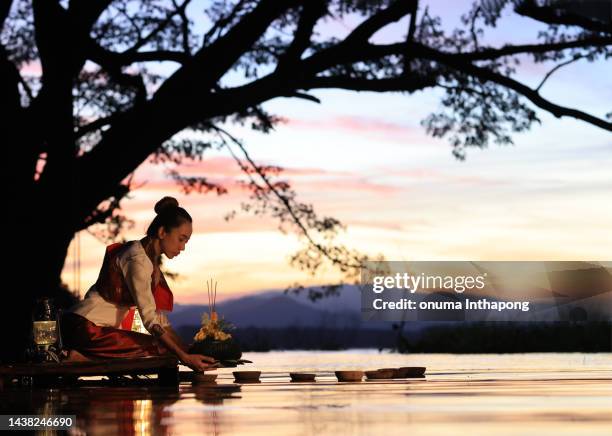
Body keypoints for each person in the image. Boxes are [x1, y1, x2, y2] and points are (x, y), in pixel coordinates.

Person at [62, 196, 215, 372]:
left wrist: (188, 350)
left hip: (93, 331)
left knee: (163, 347)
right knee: (159, 347)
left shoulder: (149, 262)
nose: (182, 248)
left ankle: (83, 357)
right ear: (162, 232)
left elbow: (160, 322)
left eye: (186, 242)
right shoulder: (137, 260)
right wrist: (185, 358)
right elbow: (150, 320)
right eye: (181, 239)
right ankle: (81, 357)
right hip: (84, 329)